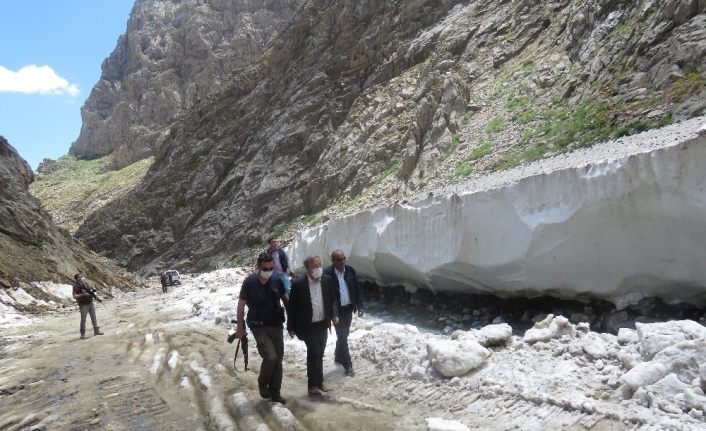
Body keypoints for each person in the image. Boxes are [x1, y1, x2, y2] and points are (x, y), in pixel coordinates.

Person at [235, 252, 288, 404]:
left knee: (278, 361)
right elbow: (241, 305)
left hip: (276, 325)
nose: (268, 271)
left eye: (271, 268)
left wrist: (294, 322)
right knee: (270, 356)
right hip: (258, 327)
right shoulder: (249, 282)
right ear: (258, 266)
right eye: (265, 268)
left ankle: (275, 392)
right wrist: (240, 326)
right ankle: (262, 382)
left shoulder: (277, 281)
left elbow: (286, 301)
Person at [287, 255, 339, 396]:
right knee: (314, 351)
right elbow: (291, 307)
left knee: (320, 353)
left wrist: (334, 314)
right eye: (314, 266)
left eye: (319, 265)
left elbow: (333, 299)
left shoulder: (327, 280)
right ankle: (312, 386)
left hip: (322, 323)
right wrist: (290, 326)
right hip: (307, 325)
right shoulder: (299, 284)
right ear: (307, 268)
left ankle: (320, 383)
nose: (318, 269)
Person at [324, 250, 364, 377]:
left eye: (343, 259)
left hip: (348, 309)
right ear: (333, 261)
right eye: (338, 259)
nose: (342, 262)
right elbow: (328, 296)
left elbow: (356, 289)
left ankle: (337, 354)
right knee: (342, 336)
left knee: (344, 335)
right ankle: (348, 365)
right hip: (336, 311)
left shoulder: (350, 271)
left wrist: (360, 305)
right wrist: (332, 313)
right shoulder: (327, 274)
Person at [72, 273, 103, 339]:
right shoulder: (75, 286)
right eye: (79, 277)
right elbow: (74, 296)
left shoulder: (85, 284)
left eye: (81, 276)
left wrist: (97, 298)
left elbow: (91, 292)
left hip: (90, 302)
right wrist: (83, 295)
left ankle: (96, 331)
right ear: (76, 279)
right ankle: (82, 335)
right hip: (83, 304)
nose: (81, 278)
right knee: (83, 320)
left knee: (94, 317)